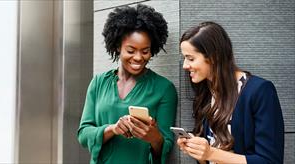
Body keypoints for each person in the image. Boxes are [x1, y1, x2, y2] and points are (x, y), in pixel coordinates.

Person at [77, 4, 178, 164]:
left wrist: (154, 138)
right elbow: (83, 134)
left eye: (145, 51)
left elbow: (166, 146)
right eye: (131, 50)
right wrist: (113, 129)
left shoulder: (164, 89)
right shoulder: (98, 83)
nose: (138, 57)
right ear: (118, 47)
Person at [177, 21, 284, 164]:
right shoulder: (206, 93)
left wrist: (211, 153)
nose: (185, 65)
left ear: (214, 57)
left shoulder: (260, 91)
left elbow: (270, 160)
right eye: (184, 58)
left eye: (191, 58)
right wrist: (199, 153)